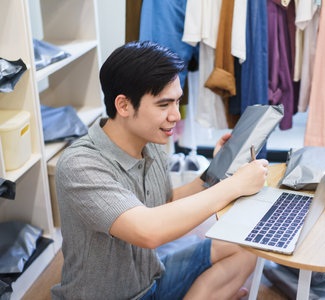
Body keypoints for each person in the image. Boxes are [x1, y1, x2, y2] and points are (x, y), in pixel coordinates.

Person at [51, 41, 269, 300]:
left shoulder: (150, 142)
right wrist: (234, 186)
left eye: (177, 102)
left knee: (248, 248)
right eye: (164, 105)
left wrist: (217, 170)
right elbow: (149, 231)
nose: (176, 116)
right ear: (123, 106)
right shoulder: (80, 165)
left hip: (152, 281)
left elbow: (165, 203)